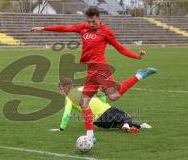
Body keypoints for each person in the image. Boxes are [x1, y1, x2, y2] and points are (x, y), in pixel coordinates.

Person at [31, 6, 156, 144]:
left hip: (101, 68)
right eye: (89, 21)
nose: (91, 24)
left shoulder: (106, 31)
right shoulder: (82, 28)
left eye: (93, 21)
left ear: (99, 18)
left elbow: (119, 48)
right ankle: (90, 136)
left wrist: (136, 57)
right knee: (86, 103)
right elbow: (64, 28)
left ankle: (140, 75)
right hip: (91, 70)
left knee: (112, 96)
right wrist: (43, 28)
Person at [50, 78, 151, 134]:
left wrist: (61, 129)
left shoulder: (68, 98)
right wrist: (103, 103)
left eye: (61, 89)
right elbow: (101, 94)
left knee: (119, 124)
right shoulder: (83, 88)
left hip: (98, 122)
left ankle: (141, 126)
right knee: (126, 117)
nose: (60, 91)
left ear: (66, 88)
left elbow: (67, 114)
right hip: (106, 110)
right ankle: (127, 125)